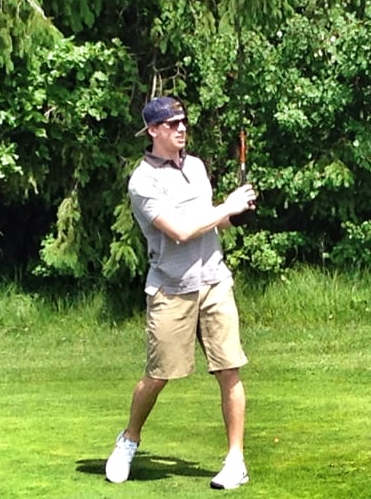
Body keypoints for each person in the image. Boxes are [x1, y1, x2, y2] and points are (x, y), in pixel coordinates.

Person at [105, 96, 257, 490]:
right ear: (153, 131)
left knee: (229, 370)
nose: (181, 129)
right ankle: (129, 439)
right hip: (171, 289)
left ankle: (235, 460)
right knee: (158, 376)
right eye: (172, 124)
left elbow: (212, 223)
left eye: (183, 122)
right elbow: (181, 231)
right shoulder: (143, 180)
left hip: (215, 281)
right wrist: (226, 205)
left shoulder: (196, 166)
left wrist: (233, 212)